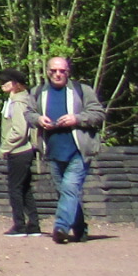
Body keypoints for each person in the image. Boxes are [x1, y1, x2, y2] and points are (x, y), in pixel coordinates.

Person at [34, 54, 105, 244]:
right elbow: (28, 113)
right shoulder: (38, 92)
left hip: (78, 151)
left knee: (69, 188)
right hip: (53, 150)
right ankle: (80, 229)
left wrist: (77, 118)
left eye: (62, 71)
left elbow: (98, 114)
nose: (58, 74)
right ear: (47, 72)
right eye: (54, 71)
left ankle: (61, 228)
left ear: (68, 72)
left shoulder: (82, 90)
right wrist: (38, 119)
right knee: (66, 192)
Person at [0, 70, 40, 236]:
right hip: (22, 150)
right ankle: (33, 225)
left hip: (19, 151)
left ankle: (19, 226)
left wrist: (5, 148)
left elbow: (20, 130)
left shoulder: (18, 102)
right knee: (25, 188)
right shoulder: (15, 101)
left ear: (15, 84)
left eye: (5, 82)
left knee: (15, 188)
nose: (2, 85)